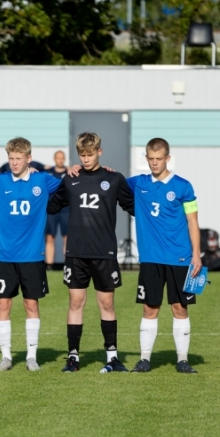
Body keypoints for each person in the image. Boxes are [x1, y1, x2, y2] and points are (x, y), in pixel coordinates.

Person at [47, 132, 135, 373]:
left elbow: (134, 205)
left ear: (100, 152)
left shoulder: (114, 179)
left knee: (106, 303)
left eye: (90, 154)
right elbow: (52, 206)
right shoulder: (70, 179)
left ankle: (112, 357)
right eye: (82, 155)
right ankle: (73, 357)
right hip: (76, 252)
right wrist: (38, 178)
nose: (86, 159)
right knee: (76, 301)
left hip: (104, 252)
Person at [0, 137, 61, 372]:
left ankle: (31, 357)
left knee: (31, 304)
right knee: (3, 304)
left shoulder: (42, 180)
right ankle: (5, 357)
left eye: (18, 158)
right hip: (5, 256)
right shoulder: (0, 181)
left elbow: (70, 185)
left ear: (28, 158)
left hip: (32, 256)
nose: (14, 163)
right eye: (11, 158)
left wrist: (76, 169)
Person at [128, 138, 201, 374]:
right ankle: (145, 359)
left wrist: (197, 256)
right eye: (151, 159)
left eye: (159, 159)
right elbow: (108, 182)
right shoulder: (138, 183)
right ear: (146, 158)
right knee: (150, 308)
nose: (155, 163)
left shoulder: (183, 186)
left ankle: (182, 360)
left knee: (180, 307)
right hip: (150, 258)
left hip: (180, 257)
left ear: (167, 158)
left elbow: (193, 221)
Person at [44, 151, 69, 269]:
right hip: (53, 209)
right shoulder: (49, 173)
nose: (60, 160)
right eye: (58, 158)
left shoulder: (69, 173)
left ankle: (67, 264)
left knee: (67, 237)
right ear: (54, 159)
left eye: (62, 158)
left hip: (66, 209)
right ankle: (49, 264)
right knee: (50, 236)